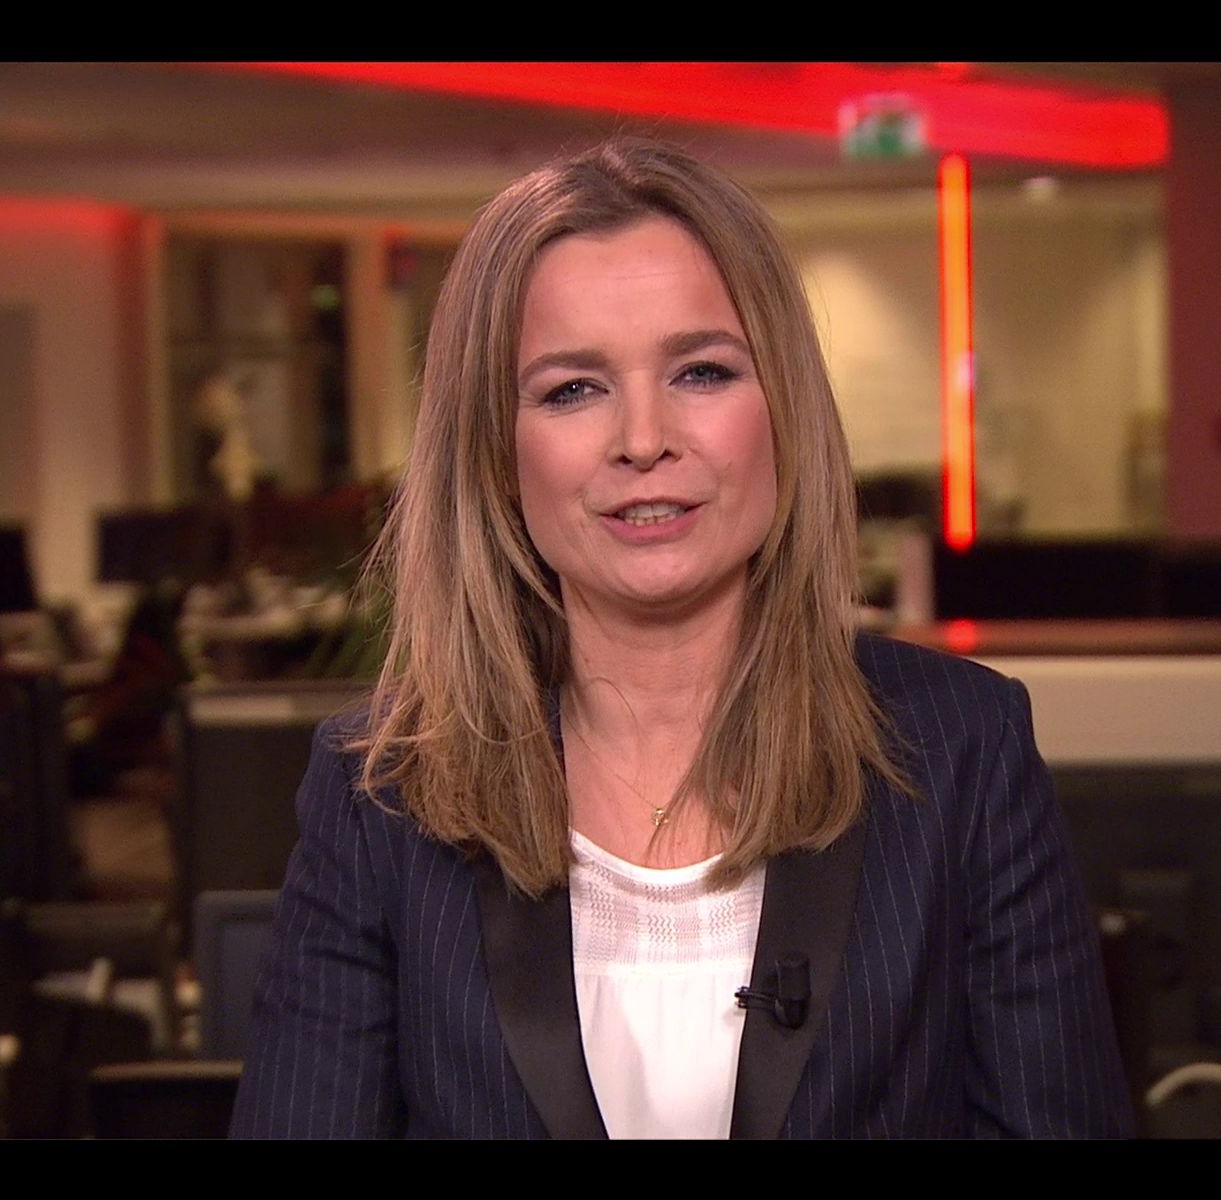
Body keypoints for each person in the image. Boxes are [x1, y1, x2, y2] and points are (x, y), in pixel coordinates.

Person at [231, 136, 1133, 1139]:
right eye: (573, 389)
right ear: (495, 453)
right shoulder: (381, 796)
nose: (644, 440)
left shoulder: (963, 749)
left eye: (702, 372)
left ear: (783, 408)